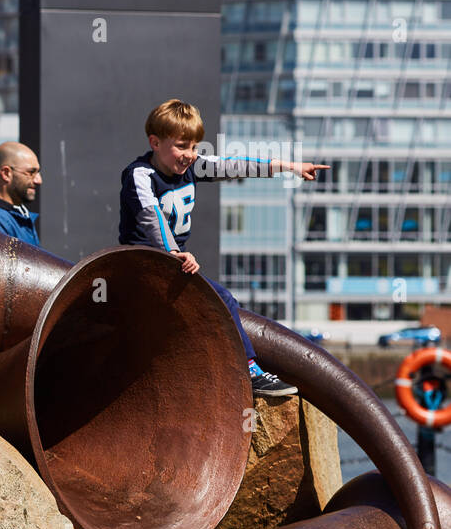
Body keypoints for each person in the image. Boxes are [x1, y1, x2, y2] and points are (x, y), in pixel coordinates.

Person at [119, 99, 328, 397]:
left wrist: (289, 167)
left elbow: (235, 165)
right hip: (145, 264)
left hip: (172, 263)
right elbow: (151, 217)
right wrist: (173, 253)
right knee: (223, 298)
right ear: (155, 142)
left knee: (216, 304)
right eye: (181, 146)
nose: (189, 155)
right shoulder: (140, 175)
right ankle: (249, 370)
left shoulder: (192, 168)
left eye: (194, 147)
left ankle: (212, 370)